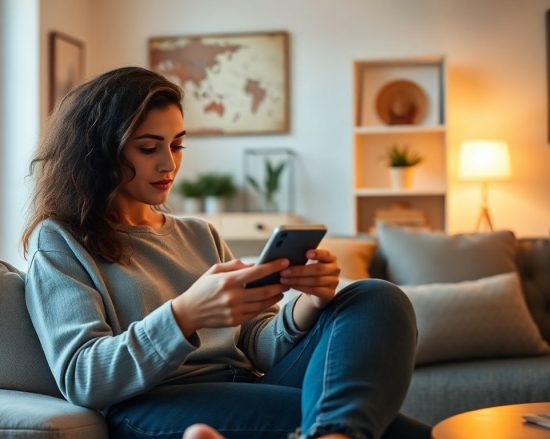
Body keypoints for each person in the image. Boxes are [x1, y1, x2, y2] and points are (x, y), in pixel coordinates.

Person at [21, 66, 429, 439]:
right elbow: (82, 378)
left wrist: (308, 304)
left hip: (246, 386)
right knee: (398, 432)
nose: (169, 164)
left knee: (376, 296)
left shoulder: (200, 234)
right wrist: (186, 314)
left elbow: (256, 342)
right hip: (153, 405)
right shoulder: (61, 241)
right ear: (100, 153)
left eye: (177, 145)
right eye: (149, 148)